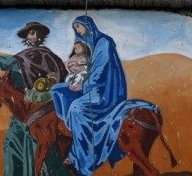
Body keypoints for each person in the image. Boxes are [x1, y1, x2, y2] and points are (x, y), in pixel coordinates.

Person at [0, 21, 68, 176]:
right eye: (30, 33)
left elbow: (3, 62)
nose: (32, 36)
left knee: (41, 153)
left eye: (35, 33)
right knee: (12, 146)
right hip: (23, 115)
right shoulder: (27, 58)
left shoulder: (43, 58)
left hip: (43, 117)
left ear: (41, 36)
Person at [51, 15, 155, 176]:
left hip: (105, 92)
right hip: (93, 86)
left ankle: (83, 157)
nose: (77, 31)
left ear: (88, 26)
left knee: (77, 108)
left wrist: (83, 84)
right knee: (60, 90)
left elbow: (100, 74)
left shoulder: (103, 43)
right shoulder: (91, 45)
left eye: (79, 27)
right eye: (75, 28)